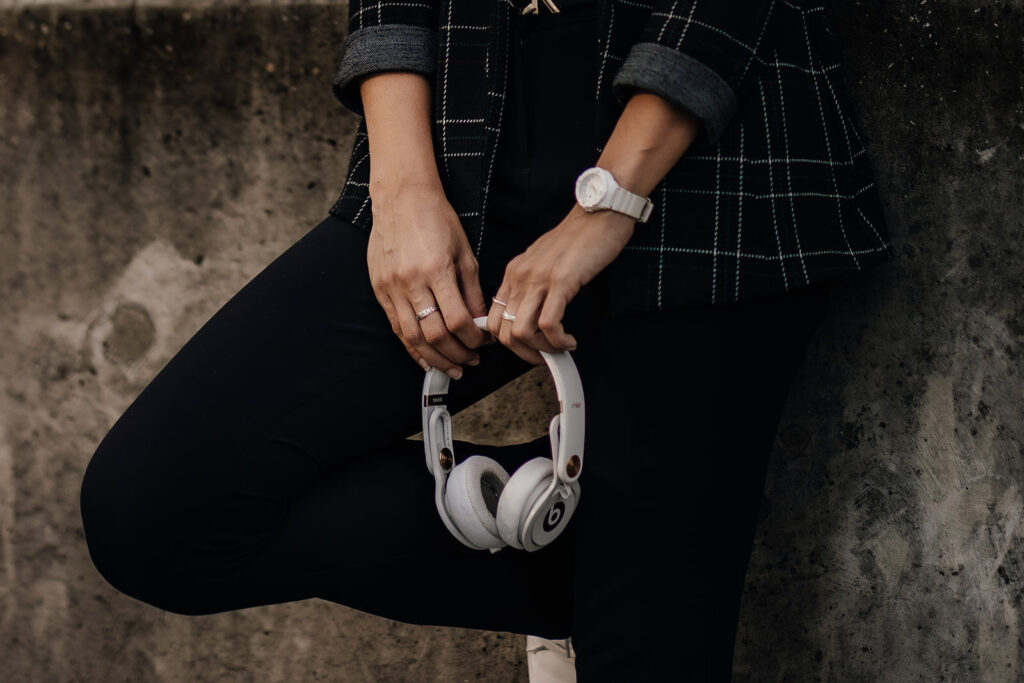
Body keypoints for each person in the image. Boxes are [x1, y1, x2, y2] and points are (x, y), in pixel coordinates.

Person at [79, 0, 894, 680]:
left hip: (718, 172)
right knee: (154, 510)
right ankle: (583, 548)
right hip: (466, 138)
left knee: (644, 656)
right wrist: (400, 192)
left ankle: (638, 578)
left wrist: (607, 205)